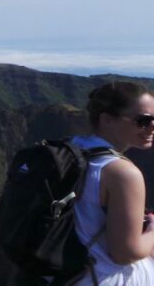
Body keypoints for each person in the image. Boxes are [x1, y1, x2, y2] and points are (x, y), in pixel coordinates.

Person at [69, 82, 154, 284]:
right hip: (102, 278)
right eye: (143, 120)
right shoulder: (123, 173)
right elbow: (126, 253)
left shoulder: (67, 150)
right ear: (107, 120)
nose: (152, 127)